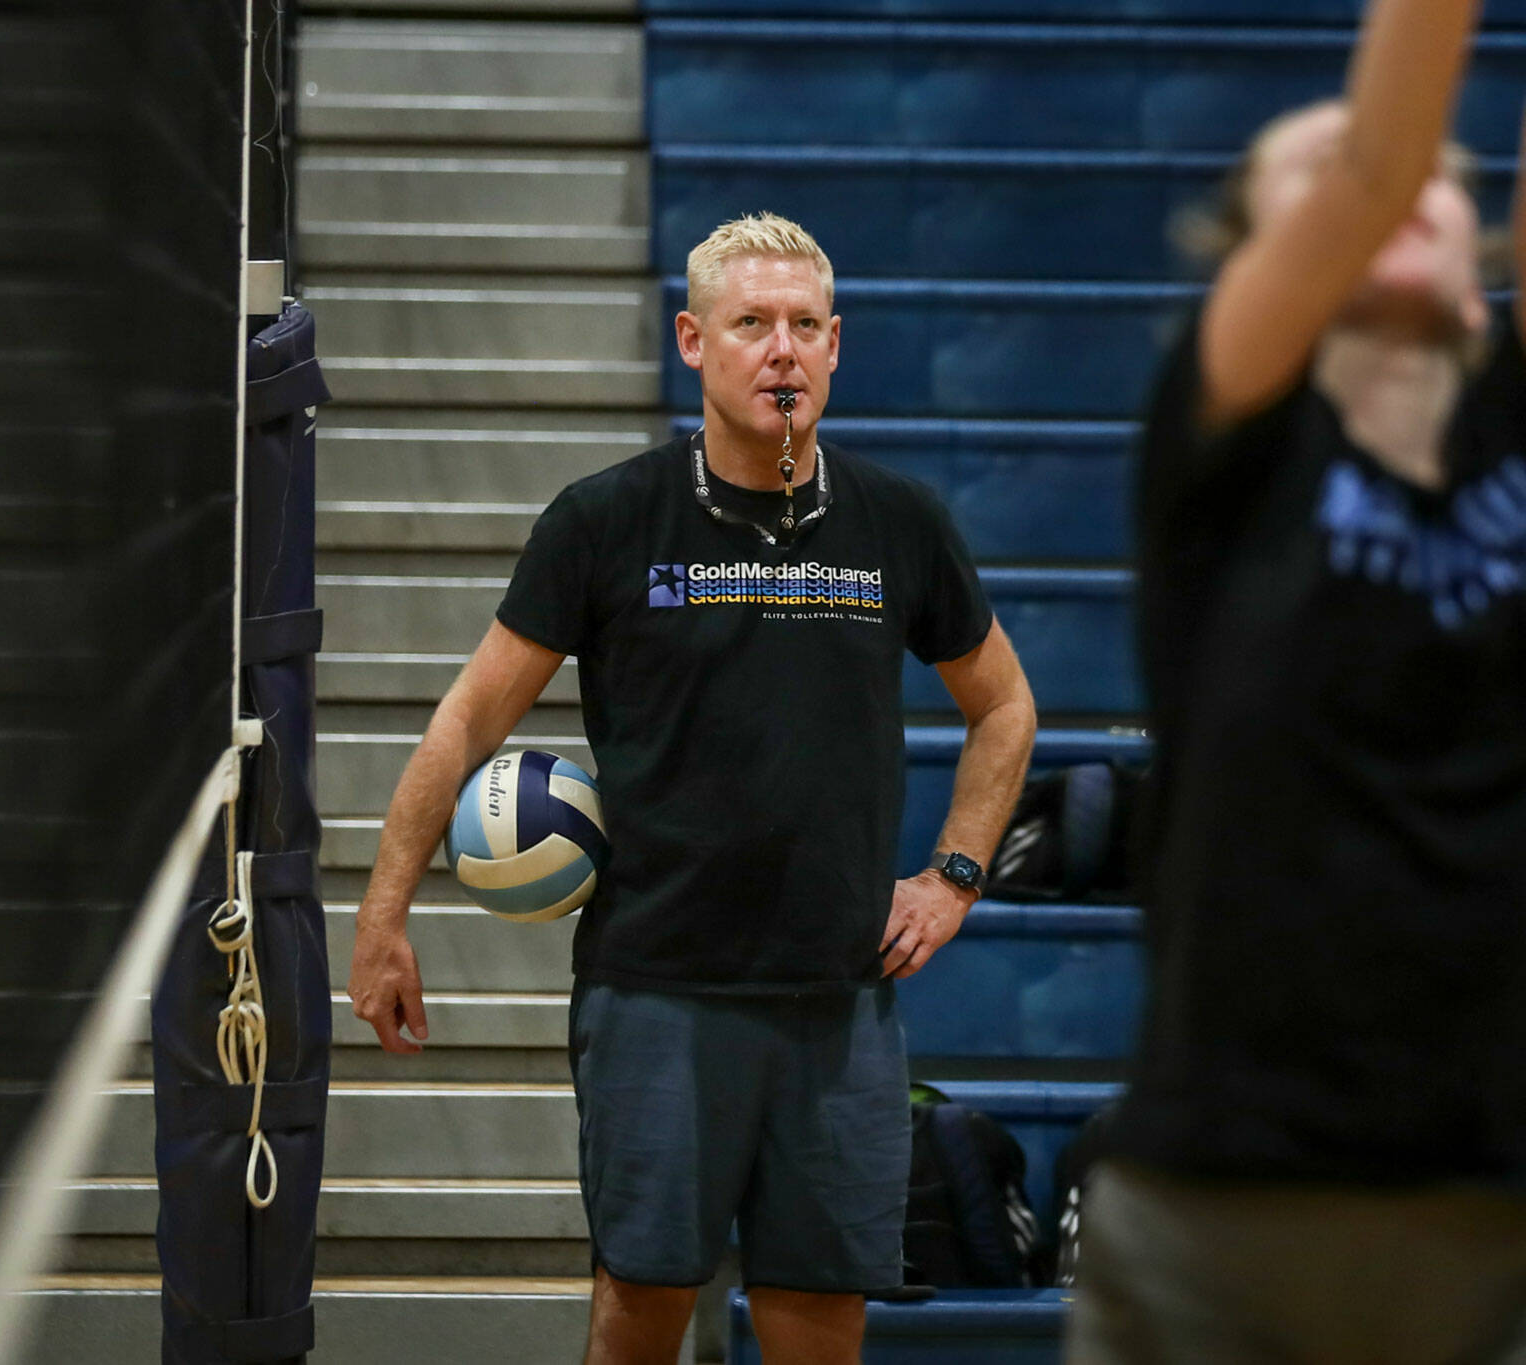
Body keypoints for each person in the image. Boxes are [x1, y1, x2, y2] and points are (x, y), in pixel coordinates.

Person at [348, 215, 1037, 1365]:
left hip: (837, 1002)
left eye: (804, 327)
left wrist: (953, 875)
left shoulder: (896, 523)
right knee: (639, 1316)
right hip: (655, 995)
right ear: (691, 341)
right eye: (751, 324)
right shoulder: (605, 520)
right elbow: (466, 717)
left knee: (819, 1326)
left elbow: (1003, 707)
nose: (781, 350)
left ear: (835, 347)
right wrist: (381, 918)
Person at [1068, 0, 1526, 1359]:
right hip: (1221, 1214)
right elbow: (1386, 154)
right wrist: (1387, 148)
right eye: (1323, 182)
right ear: (1260, 260)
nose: (1390, 191)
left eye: (1444, 183)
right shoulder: (1229, 449)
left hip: (1500, 1216)